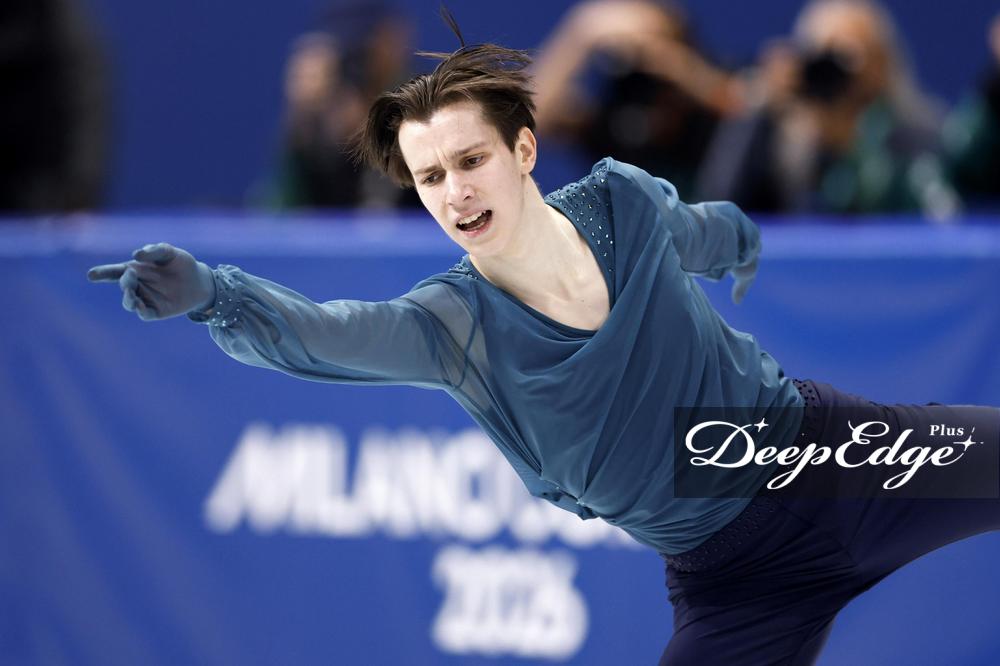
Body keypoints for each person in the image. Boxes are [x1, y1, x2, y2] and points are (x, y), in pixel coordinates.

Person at [88, 42, 999, 665]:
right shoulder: (453, 324)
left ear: (523, 149)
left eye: (469, 161)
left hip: (834, 457)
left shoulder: (619, 202)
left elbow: (694, 228)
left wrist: (741, 242)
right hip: (734, 586)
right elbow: (326, 332)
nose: (454, 191)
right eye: (431, 177)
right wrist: (215, 295)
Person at [696, 0, 959, 220]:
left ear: (883, 63)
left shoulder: (918, 136)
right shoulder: (781, 143)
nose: (835, 73)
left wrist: (853, 143)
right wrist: (759, 108)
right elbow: (721, 212)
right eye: (824, 56)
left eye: (849, 57)